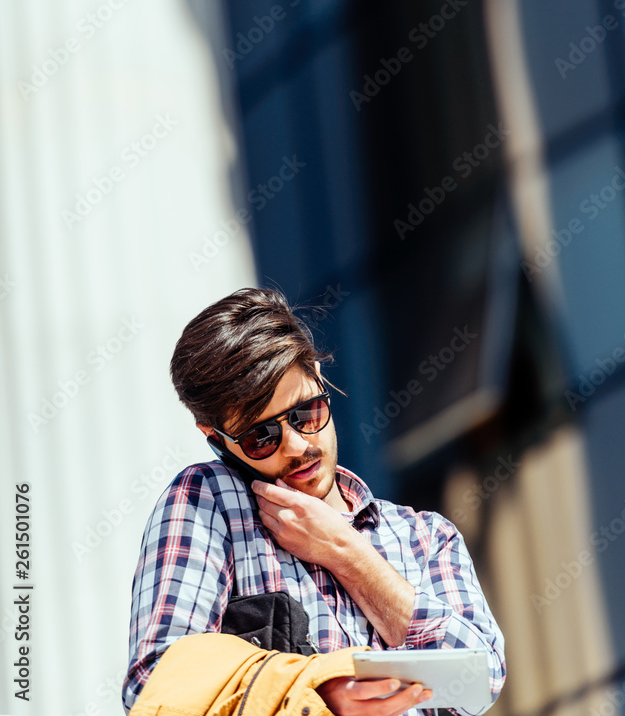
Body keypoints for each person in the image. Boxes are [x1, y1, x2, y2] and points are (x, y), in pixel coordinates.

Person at [122, 287, 505, 716]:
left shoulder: (426, 537)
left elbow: (480, 680)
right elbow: (157, 686)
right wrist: (314, 695)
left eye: (306, 414)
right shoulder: (208, 503)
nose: (297, 444)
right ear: (215, 439)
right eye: (259, 437)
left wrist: (346, 553)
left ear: (320, 379)